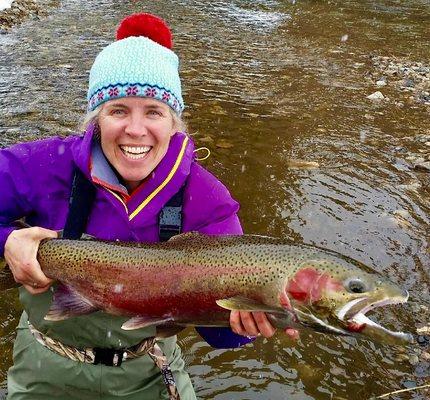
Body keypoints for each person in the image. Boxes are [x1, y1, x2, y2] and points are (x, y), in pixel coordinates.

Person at [0, 13, 278, 400]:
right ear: (96, 118)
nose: (135, 129)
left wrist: (240, 324)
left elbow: (218, 338)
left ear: (173, 122)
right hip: (46, 364)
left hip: (147, 367)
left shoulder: (209, 201)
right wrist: (8, 242)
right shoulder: (45, 165)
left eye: (153, 111)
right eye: (118, 110)